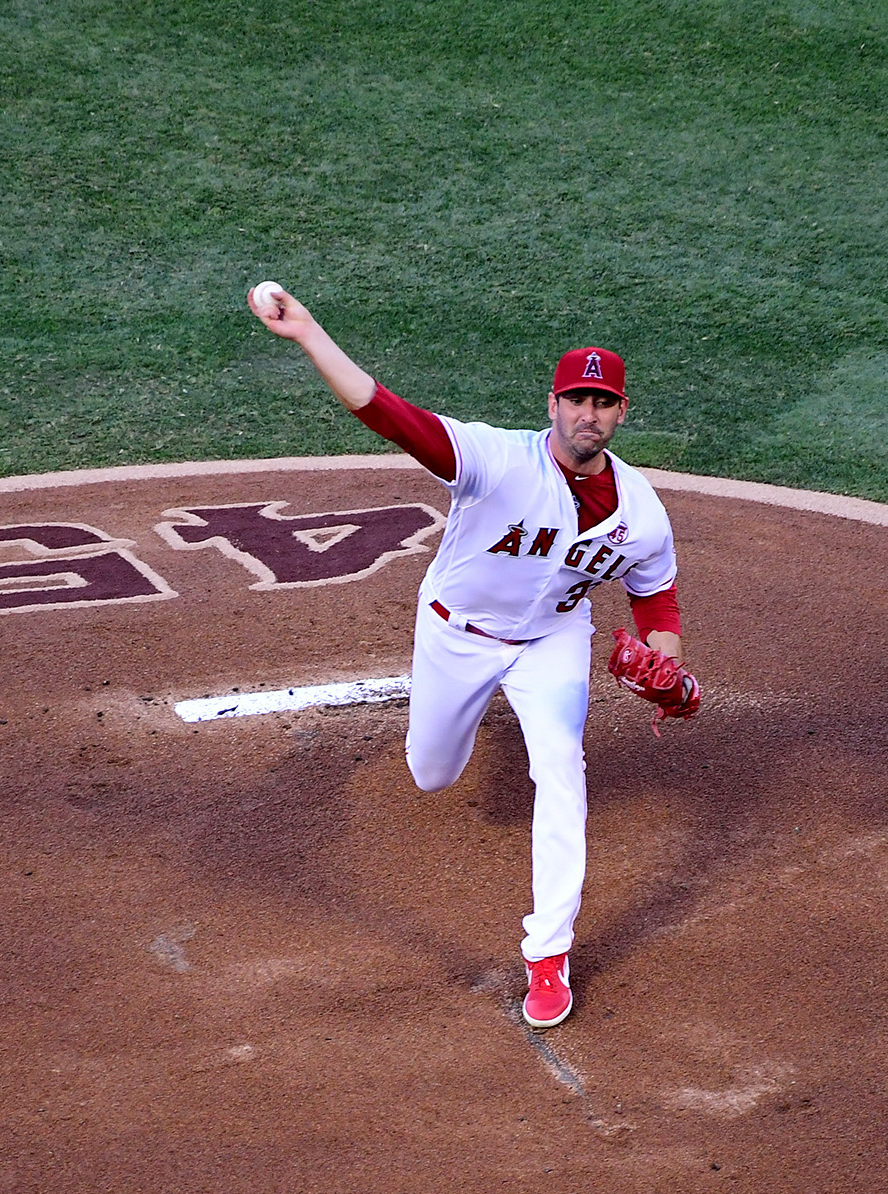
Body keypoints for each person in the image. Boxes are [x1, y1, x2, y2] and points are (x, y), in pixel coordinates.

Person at [247, 283, 697, 1029]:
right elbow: (387, 413)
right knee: (432, 773)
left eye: (604, 403)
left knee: (561, 767)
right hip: (455, 632)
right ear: (552, 404)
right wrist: (310, 334)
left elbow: (657, 602)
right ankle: (460, 729)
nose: (589, 414)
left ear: (622, 413)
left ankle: (547, 956)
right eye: (576, 400)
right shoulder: (495, 460)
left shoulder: (642, 513)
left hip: (552, 641)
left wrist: (667, 666)